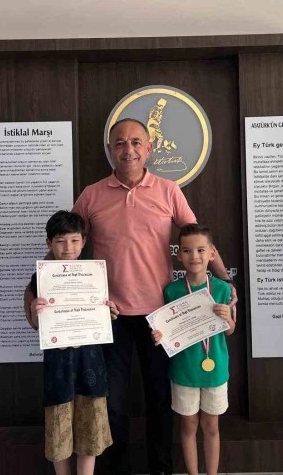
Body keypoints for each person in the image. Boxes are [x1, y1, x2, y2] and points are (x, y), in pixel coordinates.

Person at [71, 118, 236, 475]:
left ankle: (161, 469)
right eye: (119, 143)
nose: (127, 149)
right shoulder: (91, 195)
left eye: (135, 142)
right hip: (110, 315)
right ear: (110, 149)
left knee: (160, 400)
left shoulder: (168, 190)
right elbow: (67, 243)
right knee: (114, 404)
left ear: (148, 149)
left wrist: (225, 280)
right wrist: (45, 285)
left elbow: (198, 240)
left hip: (161, 317)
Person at [25, 210, 113, 475]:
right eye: (60, 241)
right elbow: (35, 324)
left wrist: (109, 311)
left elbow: (104, 313)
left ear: (84, 241)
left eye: (74, 240)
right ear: (49, 243)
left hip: (91, 362)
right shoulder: (40, 278)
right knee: (59, 430)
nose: (68, 248)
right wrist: (35, 310)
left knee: (91, 429)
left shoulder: (94, 274)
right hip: (59, 366)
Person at [151, 224, 234, 475]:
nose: (194, 256)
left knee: (211, 426)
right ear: (178, 255)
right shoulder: (172, 291)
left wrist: (227, 318)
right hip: (184, 370)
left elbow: (230, 331)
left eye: (200, 250)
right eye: (187, 251)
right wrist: (159, 335)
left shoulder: (223, 289)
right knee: (187, 426)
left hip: (215, 369)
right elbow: (166, 329)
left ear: (212, 253)